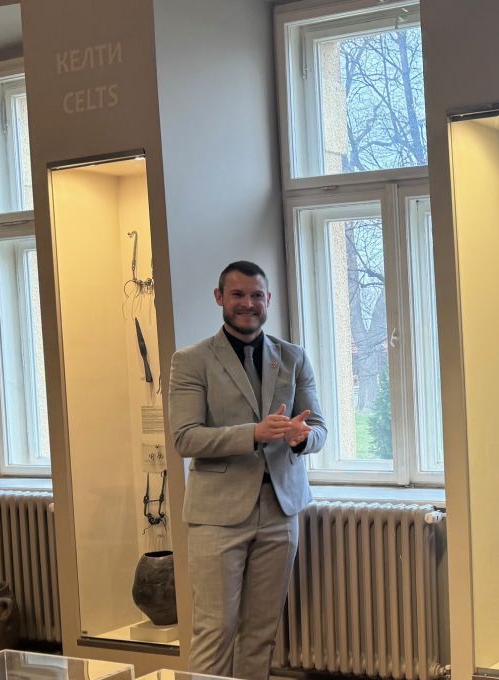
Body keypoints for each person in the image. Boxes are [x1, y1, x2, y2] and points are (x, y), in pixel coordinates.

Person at [168, 261, 327, 680]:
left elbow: (318, 427)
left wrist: (301, 438)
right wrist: (253, 433)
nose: (248, 304)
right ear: (219, 298)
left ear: (268, 300)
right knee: (215, 631)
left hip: (281, 510)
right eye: (237, 295)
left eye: (257, 295)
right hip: (217, 516)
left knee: (261, 634)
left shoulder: (293, 357)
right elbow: (185, 438)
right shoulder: (190, 361)